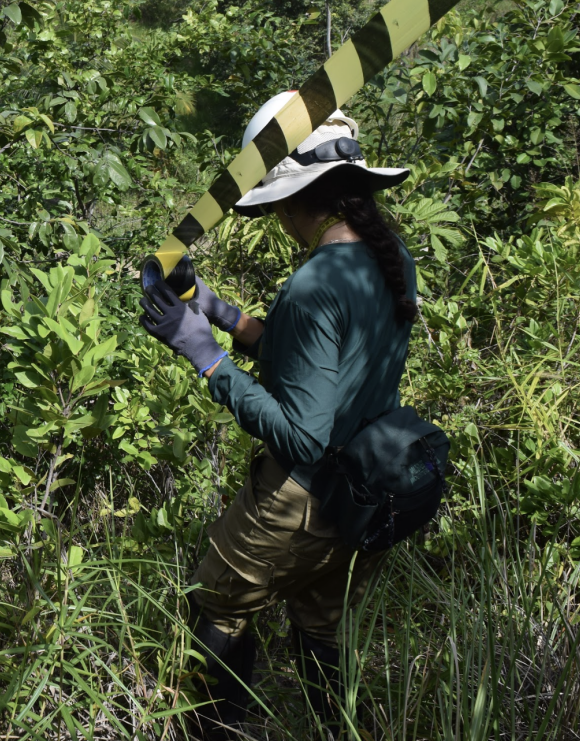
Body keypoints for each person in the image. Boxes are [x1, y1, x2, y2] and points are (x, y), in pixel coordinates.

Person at [140, 100, 416, 738]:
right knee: (320, 623)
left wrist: (204, 356)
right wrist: (215, 309)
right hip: (362, 489)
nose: (280, 219)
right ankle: (342, 730)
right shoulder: (386, 256)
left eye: (280, 206)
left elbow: (300, 431)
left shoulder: (317, 280)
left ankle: (211, 731)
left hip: (302, 496)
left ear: (302, 200)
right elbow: (316, 364)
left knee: (218, 604)